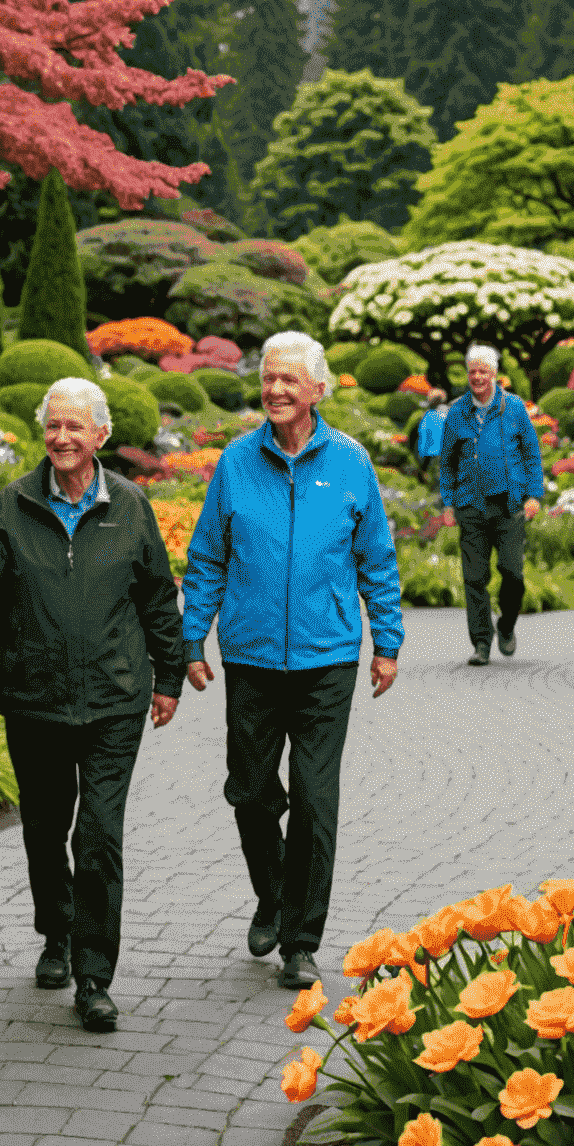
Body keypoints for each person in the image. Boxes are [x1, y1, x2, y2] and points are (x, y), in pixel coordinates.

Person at [0, 376, 185, 1034]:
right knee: (44, 831)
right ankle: (54, 934)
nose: (61, 436)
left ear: (101, 436)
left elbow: (156, 601)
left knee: (98, 838)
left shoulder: (132, 508)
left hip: (114, 699)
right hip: (34, 703)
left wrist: (168, 677)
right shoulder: (13, 505)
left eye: (74, 426)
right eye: (53, 425)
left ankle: (93, 976)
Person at [180, 331, 403, 991]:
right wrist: (193, 639)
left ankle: (301, 942)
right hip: (249, 657)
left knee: (314, 799)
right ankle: (272, 892)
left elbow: (377, 560)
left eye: (288, 380)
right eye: (267, 379)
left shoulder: (352, 463)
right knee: (249, 792)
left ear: (318, 390)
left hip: (327, 658)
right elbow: (208, 556)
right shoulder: (235, 463)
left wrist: (385, 642)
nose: (274, 390)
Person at [438, 346, 545, 667]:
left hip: (509, 506)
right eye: (473, 371)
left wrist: (534, 495)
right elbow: (447, 463)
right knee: (474, 578)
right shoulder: (457, 412)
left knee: (513, 573)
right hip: (471, 507)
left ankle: (507, 625)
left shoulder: (513, 407)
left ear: (495, 375)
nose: (478, 377)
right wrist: (448, 501)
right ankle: (482, 643)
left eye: (484, 371)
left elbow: (531, 453)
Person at [415, 388, 447, 486]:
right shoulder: (448, 411)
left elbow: (422, 432)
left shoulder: (428, 415)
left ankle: (424, 480)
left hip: (431, 449)